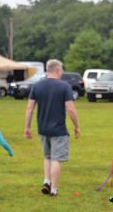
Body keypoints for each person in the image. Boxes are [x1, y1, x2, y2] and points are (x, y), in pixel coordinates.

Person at [24, 59, 80, 196]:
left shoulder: (37, 86)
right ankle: (54, 189)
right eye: (62, 70)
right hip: (59, 130)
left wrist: (27, 127)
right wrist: (77, 126)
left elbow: (30, 108)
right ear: (57, 70)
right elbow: (71, 109)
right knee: (56, 159)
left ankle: (46, 181)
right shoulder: (64, 86)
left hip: (42, 129)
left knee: (47, 157)